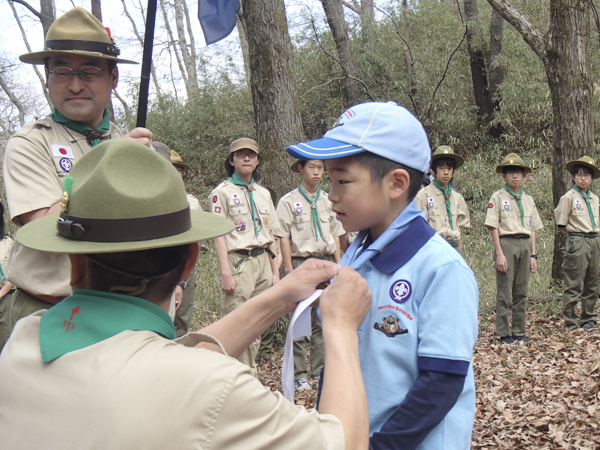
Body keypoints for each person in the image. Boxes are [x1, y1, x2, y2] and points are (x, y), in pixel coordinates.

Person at [0, 139, 372, 449]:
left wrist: (278, 297)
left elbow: (159, 362)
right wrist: (340, 327)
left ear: (73, 263)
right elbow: (346, 443)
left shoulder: (23, 342)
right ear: (191, 260)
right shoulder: (214, 389)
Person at [287, 101, 479, 449]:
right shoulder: (354, 254)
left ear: (396, 183)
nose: (331, 196)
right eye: (330, 180)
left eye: (343, 181)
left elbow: (441, 382)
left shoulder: (441, 269)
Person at [0, 7, 153, 351]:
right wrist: (110, 166)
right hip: (46, 313)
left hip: (120, 315)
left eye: (89, 71)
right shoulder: (30, 143)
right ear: (47, 79)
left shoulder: (127, 143)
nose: (75, 84)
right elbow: (42, 228)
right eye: (62, 71)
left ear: (113, 79)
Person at [273, 159, 345, 392]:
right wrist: (288, 270)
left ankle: (319, 369)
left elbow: (335, 234)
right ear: (301, 169)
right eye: (312, 167)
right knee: (300, 320)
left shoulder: (328, 199)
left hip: (325, 262)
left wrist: (338, 264)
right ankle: (299, 374)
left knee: (323, 319)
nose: (316, 172)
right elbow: (283, 235)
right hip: (301, 262)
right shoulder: (289, 201)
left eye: (321, 168)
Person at [209, 138, 280, 373]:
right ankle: (232, 377)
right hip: (238, 262)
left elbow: (272, 234)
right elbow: (219, 235)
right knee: (236, 323)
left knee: (256, 325)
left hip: (263, 261)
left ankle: (249, 374)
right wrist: (225, 273)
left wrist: (275, 271)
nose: (247, 158)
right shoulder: (222, 192)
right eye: (241, 154)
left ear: (258, 160)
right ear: (232, 160)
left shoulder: (263, 193)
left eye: (251, 154)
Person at [485, 153, 543, 344]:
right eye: (510, 173)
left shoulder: (528, 199)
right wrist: (500, 253)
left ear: (524, 175)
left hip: (525, 243)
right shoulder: (498, 197)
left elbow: (532, 228)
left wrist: (534, 254)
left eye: (518, 172)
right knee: (505, 290)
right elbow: (493, 226)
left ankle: (519, 330)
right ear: (504, 176)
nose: (515, 176)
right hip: (507, 243)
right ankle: (504, 332)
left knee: (521, 290)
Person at [554, 156, 600, 331]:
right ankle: (571, 321)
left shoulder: (594, 199)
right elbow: (561, 224)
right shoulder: (569, 197)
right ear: (573, 177)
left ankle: (589, 318)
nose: (583, 178)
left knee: (592, 281)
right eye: (579, 175)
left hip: (594, 240)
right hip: (578, 239)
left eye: (587, 175)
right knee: (574, 282)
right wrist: (576, 234)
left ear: (591, 178)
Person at [415, 146, 471, 252]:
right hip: (433, 247)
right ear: (434, 170)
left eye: (449, 169)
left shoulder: (456, 196)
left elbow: (458, 227)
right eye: (442, 168)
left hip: (453, 246)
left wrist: (459, 250)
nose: (446, 172)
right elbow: (419, 227)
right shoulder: (424, 195)